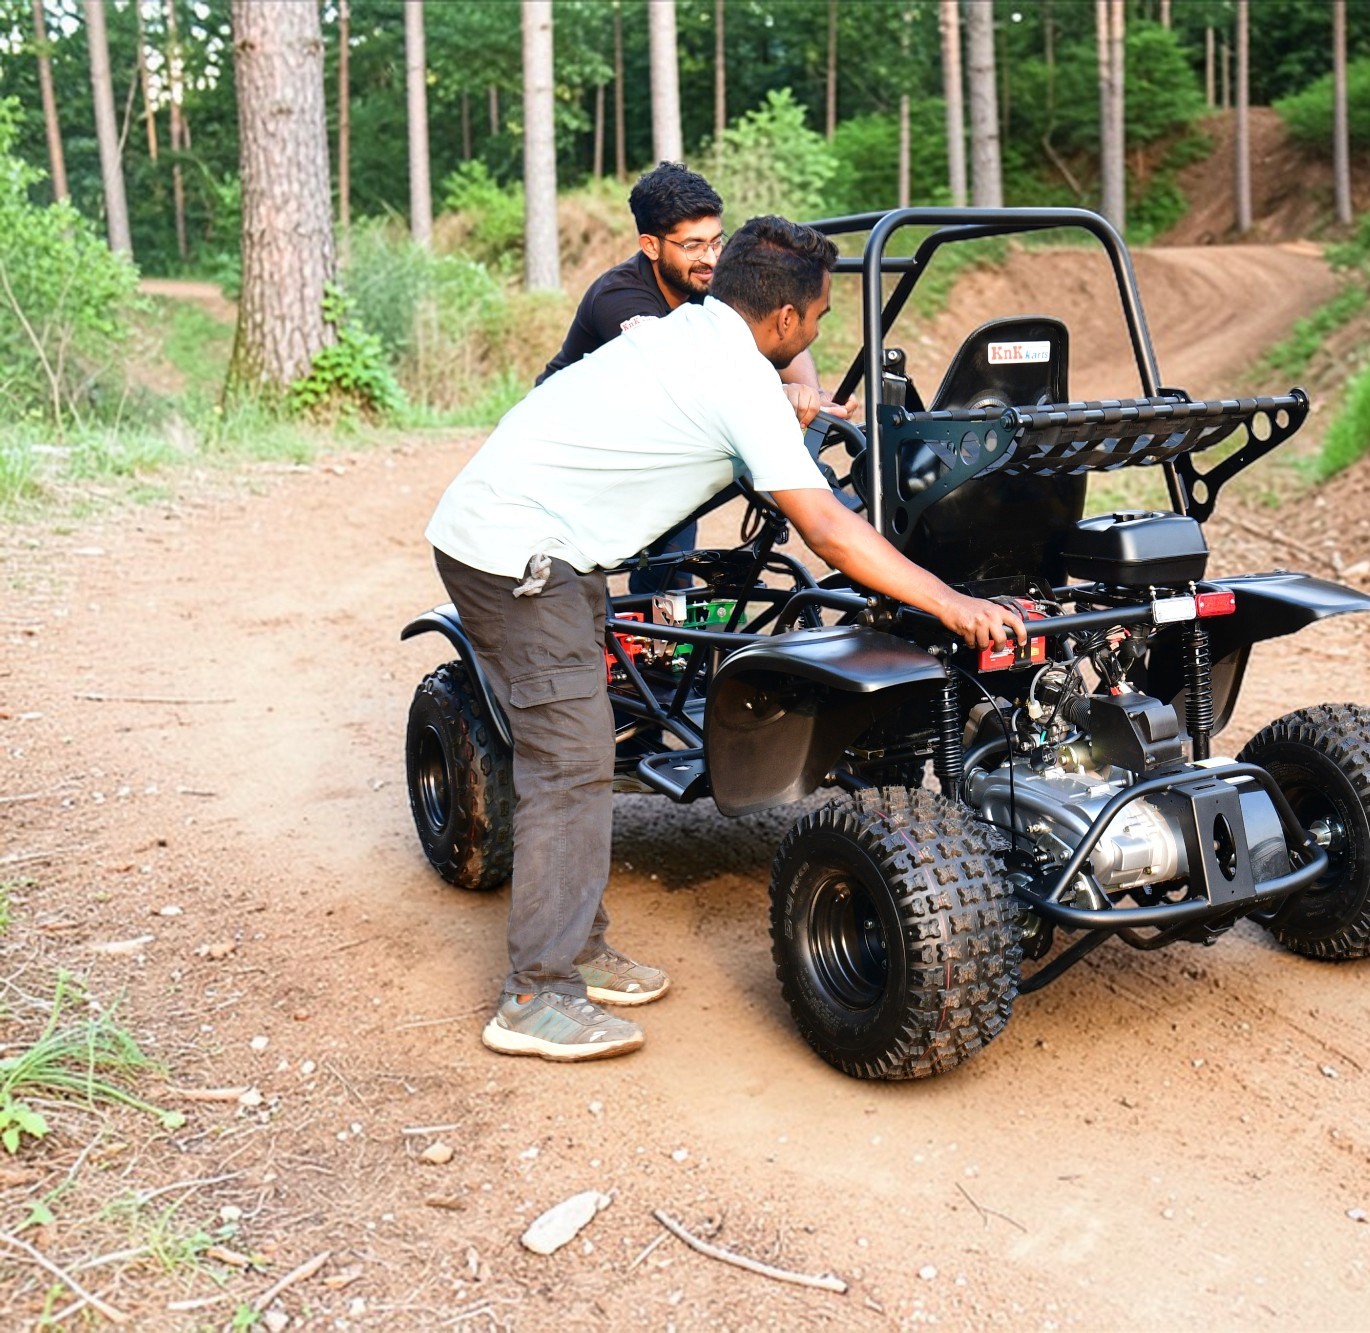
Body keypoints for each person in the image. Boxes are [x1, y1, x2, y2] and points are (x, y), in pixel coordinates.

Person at [425, 216, 1026, 1063]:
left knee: (579, 744)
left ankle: (579, 946)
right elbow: (830, 532)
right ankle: (535, 994)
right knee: (571, 760)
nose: (817, 333)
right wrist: (950, 602)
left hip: (547, 538)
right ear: (783, 319)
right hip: (512, 553)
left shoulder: (695, 332)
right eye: (818, 318)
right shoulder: (739, 380)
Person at [539, 162, 837, 593]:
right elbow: (686, 377)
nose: (711, 258)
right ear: (651, 245)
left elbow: (778, 324)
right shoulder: (620, 297)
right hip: (577, 446)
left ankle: (664, 613)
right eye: (694, 245)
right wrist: (778, 396)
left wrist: (811, 395)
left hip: (652, 435)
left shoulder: (711, 279)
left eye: (717, 241)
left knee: (670, 569)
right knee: (586, 581)